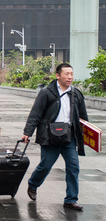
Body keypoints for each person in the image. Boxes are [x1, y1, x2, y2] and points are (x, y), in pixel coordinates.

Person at [22, 63, 88, 211]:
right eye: (66, 74)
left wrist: (87, 135)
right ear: (58, 75)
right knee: (45, 165)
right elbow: (35, 113)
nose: (70, 77)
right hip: (50, 136)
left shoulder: (76, 93)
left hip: (69, 137)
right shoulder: (47, 93)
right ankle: (33, 183)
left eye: (71, 74)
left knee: (73, 168)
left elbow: (83, 117)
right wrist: (28, 132)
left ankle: (71, 199)